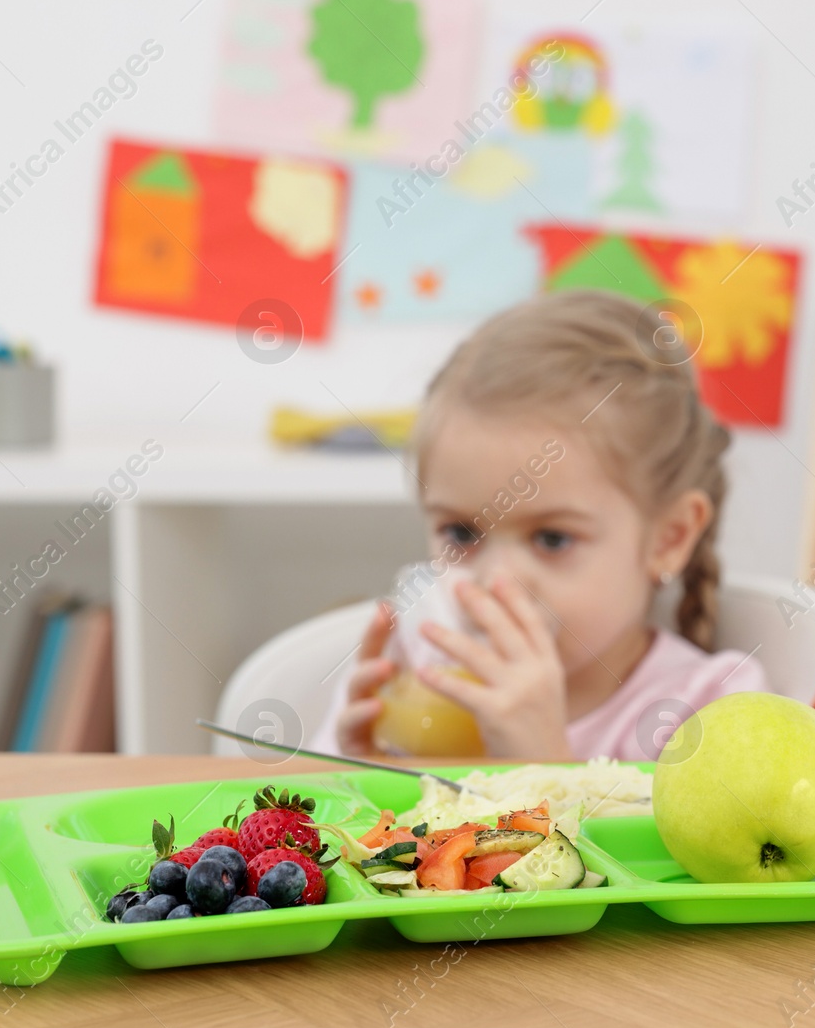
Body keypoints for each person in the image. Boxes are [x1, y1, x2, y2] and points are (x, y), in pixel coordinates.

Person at [310, 289, 766, 760]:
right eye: (462, 533)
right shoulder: (419, 670)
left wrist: (545, 761)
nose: (496, 581)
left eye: (552, 539)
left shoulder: (706, 709)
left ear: (668, 539)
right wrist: (359, 770)